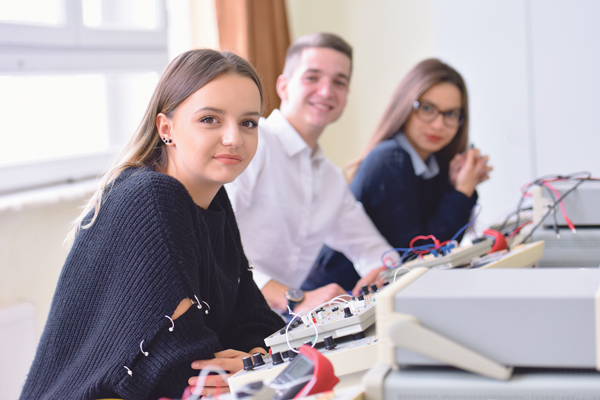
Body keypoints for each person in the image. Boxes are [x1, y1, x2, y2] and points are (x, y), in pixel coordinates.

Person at [19, 49, 285, 400]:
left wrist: (256, 358)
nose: (234, 138)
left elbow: (256, 323)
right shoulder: (153, 197)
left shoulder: (213, 198)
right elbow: (189, 374)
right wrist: (256, 362)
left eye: (248, 122)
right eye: (210, 119)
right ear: (166, 128)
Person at [224, 32, 398, 314]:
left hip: (271, 326)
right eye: (312, 77)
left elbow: (371, 248)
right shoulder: (253, 144)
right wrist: (294, 297)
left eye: (339, 82)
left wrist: (383, 270)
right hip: (219, 319)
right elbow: (208, 245)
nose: (327, 91)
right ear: (284, 86)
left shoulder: (329, 177)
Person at [302, 58, 492, 291]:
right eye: (427, 109)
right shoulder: (391, 159)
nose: (438, 124)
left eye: (451, 114)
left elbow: (441, 252)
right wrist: (462, 192)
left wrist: (456, 187)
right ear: (406, 106)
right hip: (331, 304)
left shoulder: (431, 163)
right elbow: (420, 256)